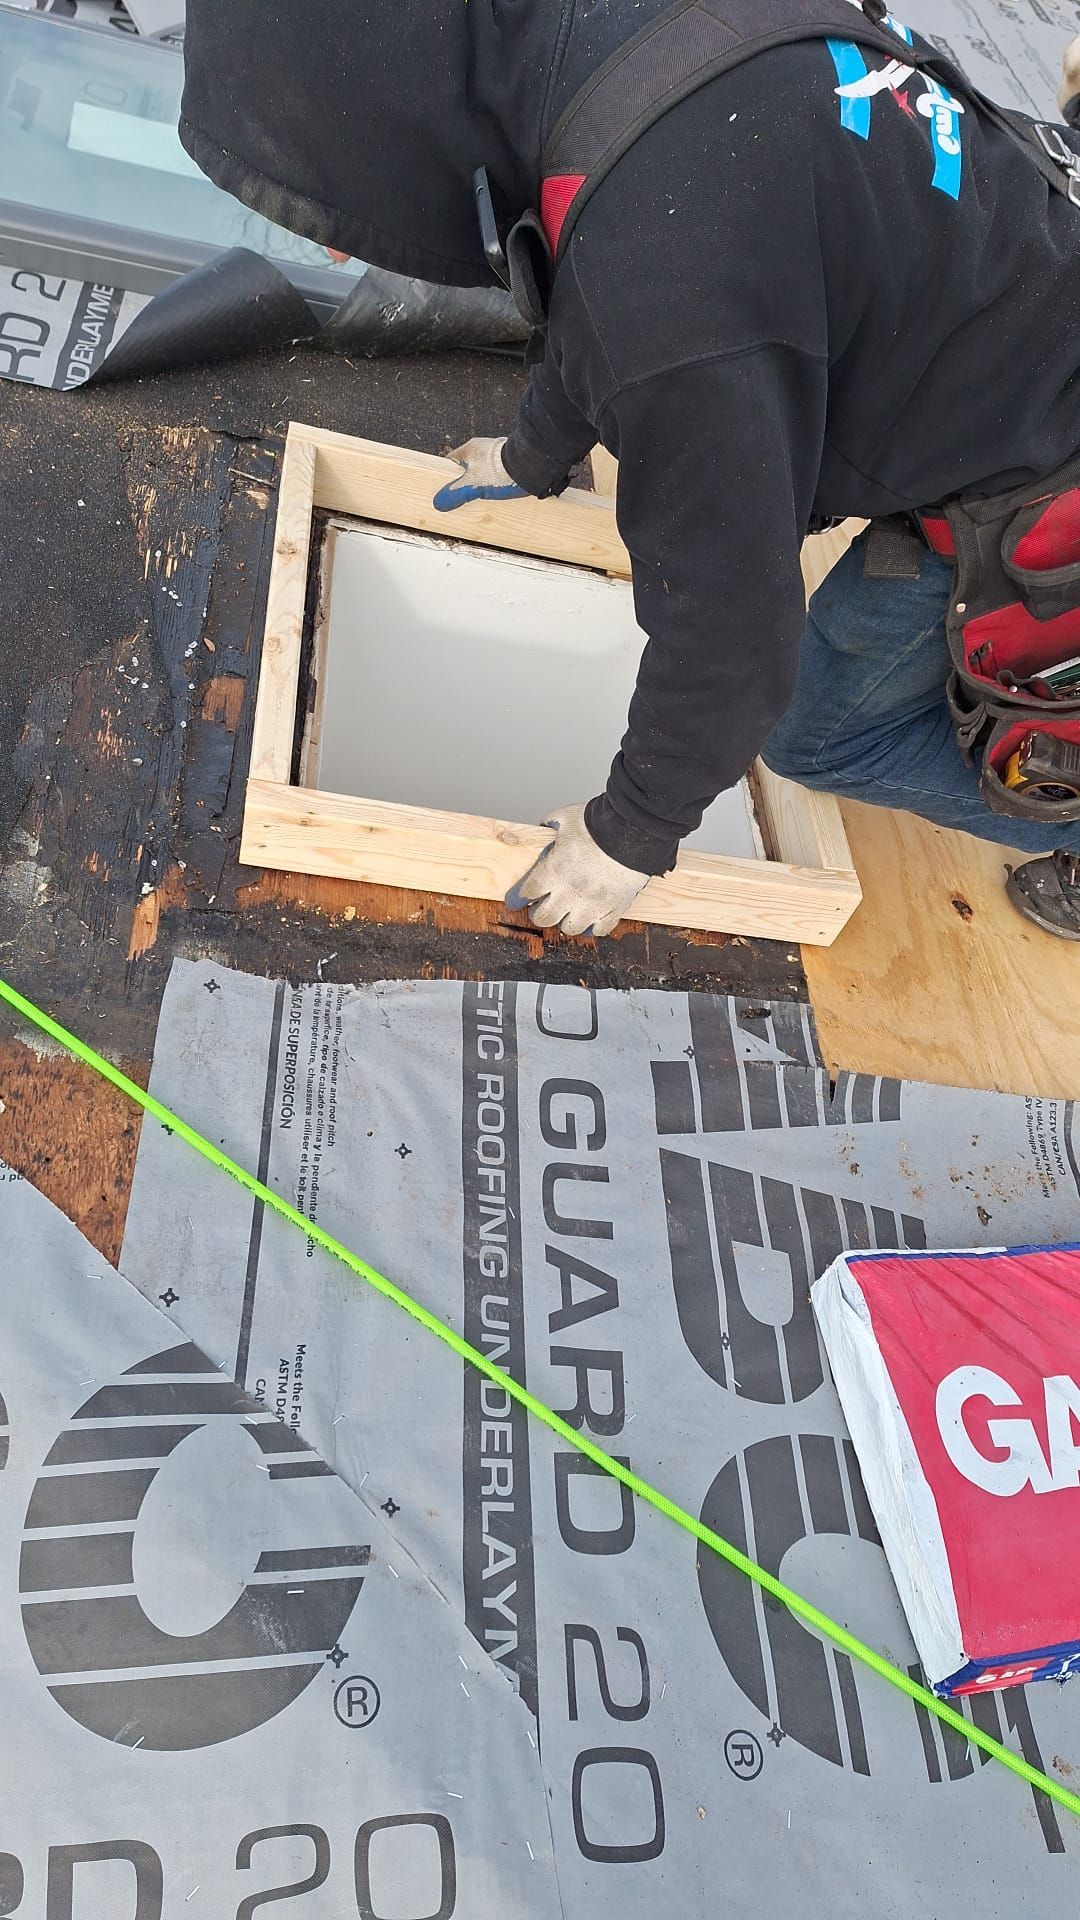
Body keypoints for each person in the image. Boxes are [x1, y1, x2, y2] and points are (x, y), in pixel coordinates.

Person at [179, 1, 1080, 939]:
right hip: (1017, 268)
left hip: (1040, 449)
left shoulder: (666, 279)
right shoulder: (590, 49)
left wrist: (628, 837)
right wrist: (535, 455)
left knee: (815, 734)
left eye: (325, 202)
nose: (332, 246)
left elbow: (732, 633)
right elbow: (598, 269)